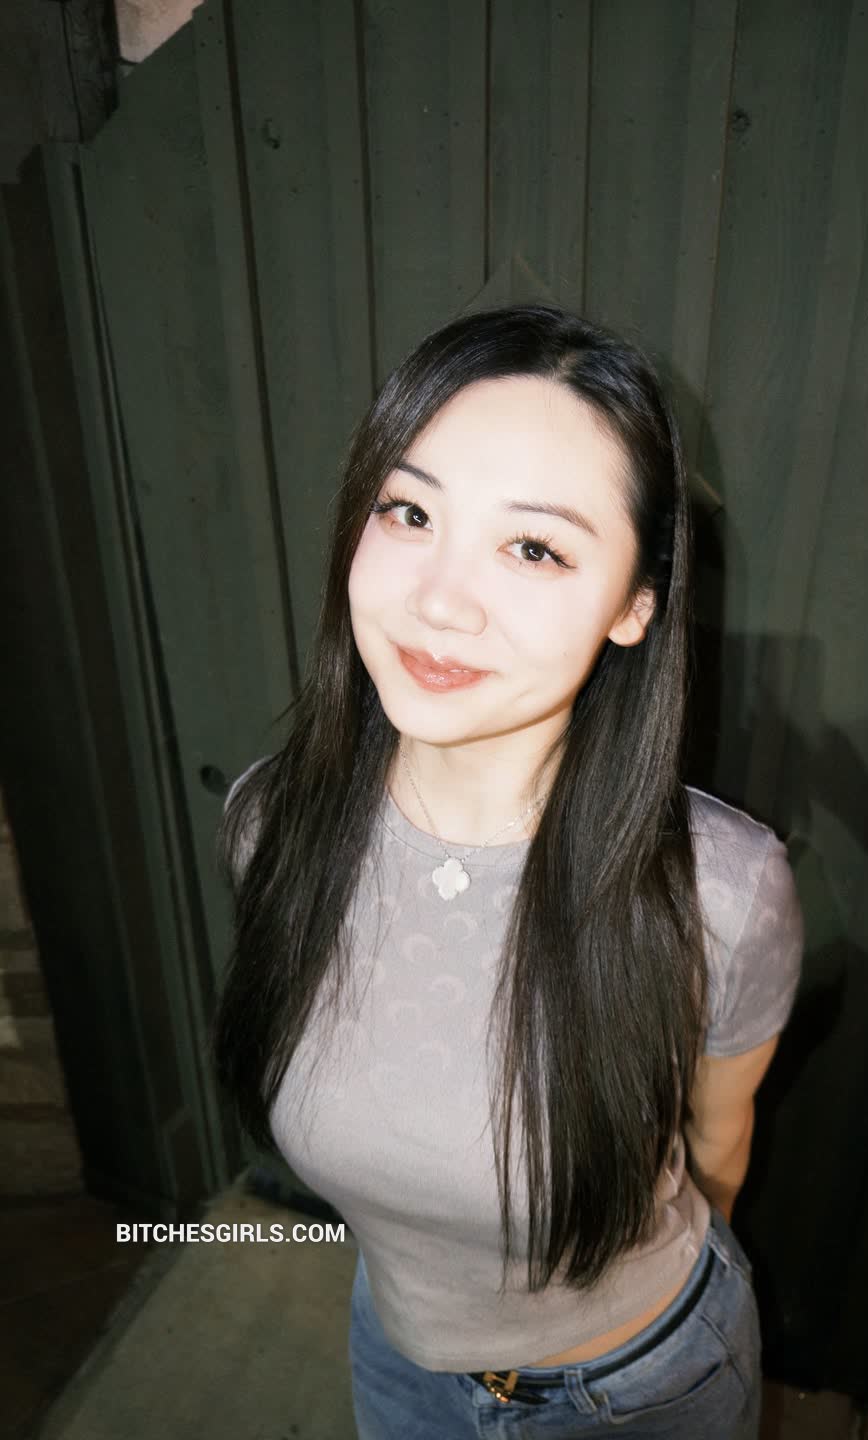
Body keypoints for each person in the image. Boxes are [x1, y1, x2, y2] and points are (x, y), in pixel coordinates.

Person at [214, 302, 803, 1438]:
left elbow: (719, 1149)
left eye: (533, 547)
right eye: (409, 511)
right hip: (397, 1355)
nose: (439, 599)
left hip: (637, 1391)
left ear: (634, 606)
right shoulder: (274, 825)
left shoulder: (720, 892)